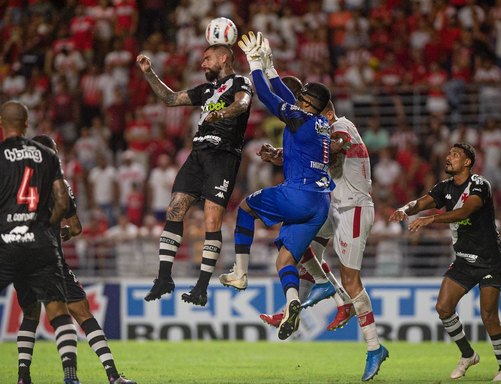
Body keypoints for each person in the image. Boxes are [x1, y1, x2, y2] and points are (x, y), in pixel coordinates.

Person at [255, 100, 389, 381]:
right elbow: (314, 156)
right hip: (335, 208)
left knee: (352, 280)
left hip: (353, 208)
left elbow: (334, 145)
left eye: (315, 115)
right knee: (295, 243)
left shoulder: (340, 126)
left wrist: (309, 147)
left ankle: (374, 347)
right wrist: (280, 155)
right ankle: (328, 289)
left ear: (328, 113)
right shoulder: (324, 133)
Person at [218, 31, 333, 341]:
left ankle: (240, 273)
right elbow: (285, 94)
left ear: (309, 103)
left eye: (302, 97)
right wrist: (271, 68)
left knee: (245, 207)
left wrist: (255, 64)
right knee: (285, 259)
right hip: (320, 203)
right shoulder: (319, 123)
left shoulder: (301, 118)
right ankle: (293, 302)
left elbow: (271, 98)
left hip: (299, 193)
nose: (297, 100)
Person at [136, 43, 253, 306]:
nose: (202, 64)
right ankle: (164, 278)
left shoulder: (240, 82)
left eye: (207, 58)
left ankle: (201, 287)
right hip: (198, 153)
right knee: (175, 209)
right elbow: (169, 99)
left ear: (223, 58)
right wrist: (149, 73)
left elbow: (242, 104)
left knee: (212, 220)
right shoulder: (206, 90)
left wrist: (220, 113)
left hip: (223, 155)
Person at [13, 135, 136, 384]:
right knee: (80, 313)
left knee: (30, 315)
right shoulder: (58, 183)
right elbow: (77, 227)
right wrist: (64, 232)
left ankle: (23, 376)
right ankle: (110, 375)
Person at [388, 143, 501, 382]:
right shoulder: (444, 187)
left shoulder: (480, 185)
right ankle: (468, 355)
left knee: (489, 317)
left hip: (489, 259)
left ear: (467, 162)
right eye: (448, 153)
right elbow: (421, 202)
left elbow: (466, 211)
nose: (448, 157)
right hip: (463, 259)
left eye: (455, 155)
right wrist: (405, 209)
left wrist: (430, 220)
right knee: (443, 308)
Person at [0, 101, 79, 384]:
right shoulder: (47, 154)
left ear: (2, 123)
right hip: (41, 243)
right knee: (57, 309)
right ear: (26, 123)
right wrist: (45, 225)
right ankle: (70, 375)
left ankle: (23, 376)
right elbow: (61, 200)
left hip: (7, 241)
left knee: (29, 311)